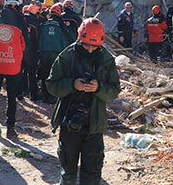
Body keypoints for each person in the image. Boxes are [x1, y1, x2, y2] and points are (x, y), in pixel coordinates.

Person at [46, 18, 120, 185]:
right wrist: (73, 84)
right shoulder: (67, 56)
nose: (90, 49)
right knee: (68, 173)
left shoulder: (106, 60)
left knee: (92, 174)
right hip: (69, 122)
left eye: (94, 46)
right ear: (80, 38)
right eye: (86, 45)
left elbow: (114, 90)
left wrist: (99, 88)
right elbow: (51, 85)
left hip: (94, 125)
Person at [0, 0, 27, 138]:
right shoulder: (20, 22)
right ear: (15, 6)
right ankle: (10, 128)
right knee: (11, 96)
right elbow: (25, 44)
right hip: (13, 65)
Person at [38, 3, 72, 104]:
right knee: (54, 75)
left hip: (44, 52)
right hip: (56, 52)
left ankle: (45, 96)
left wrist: (40, 50)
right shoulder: (61, 25)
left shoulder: (44, 24)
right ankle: (53, 96)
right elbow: (65, 39)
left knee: (44, 74)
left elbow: (40, 39)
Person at [23, 4, 41, 101]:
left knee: (22, 71)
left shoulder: (22, 19)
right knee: (32, 73)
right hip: (32, 49)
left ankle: (21, 91)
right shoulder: (36, 21)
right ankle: (34, 94)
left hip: (22, 48)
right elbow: (39, 36)